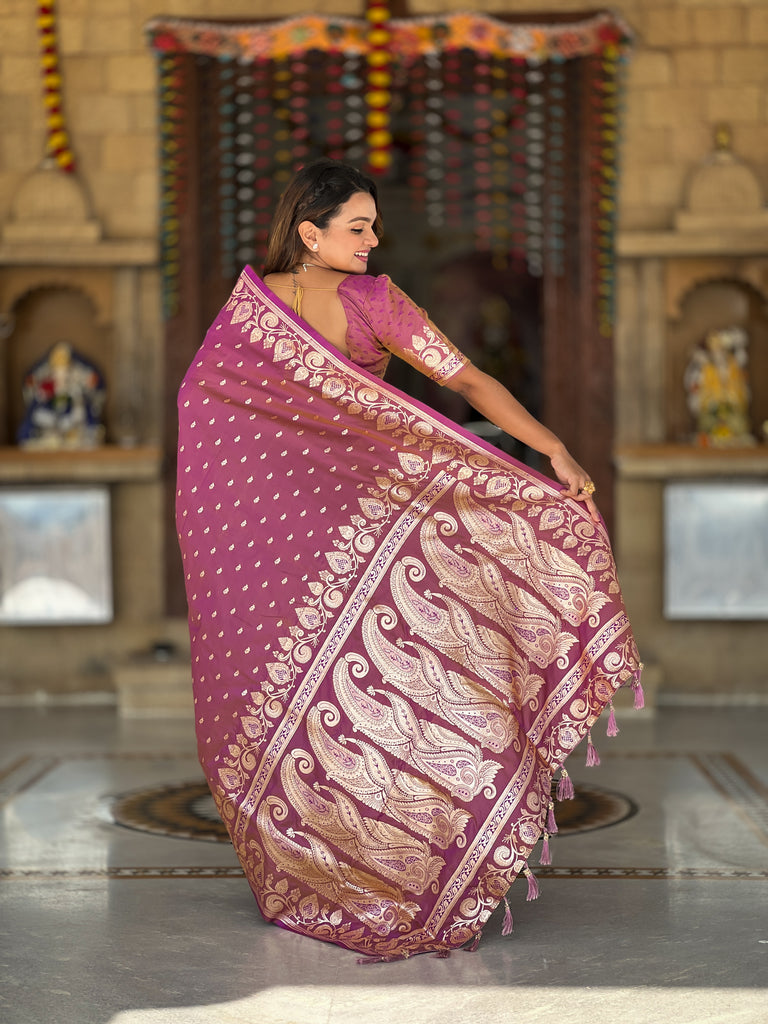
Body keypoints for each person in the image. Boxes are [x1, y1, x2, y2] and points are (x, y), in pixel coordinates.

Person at [176, 158, 641, 961]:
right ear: (310, 232)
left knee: (346, 698)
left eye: (374, 227)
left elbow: (202, 404)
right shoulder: (355, 303)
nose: (372, 240)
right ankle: (375, 866)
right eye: (357, 227)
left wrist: (548, 450)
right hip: (316, 534)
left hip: (295, 537)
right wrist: (552, 449)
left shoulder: (258, 308)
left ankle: (362, 867)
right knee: (355, 693)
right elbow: (470, 382)